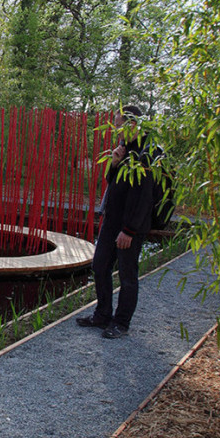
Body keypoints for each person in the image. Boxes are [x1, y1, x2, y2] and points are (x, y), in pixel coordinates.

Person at [77, 105, 154, 339]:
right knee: (100, 266)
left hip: (129, 225)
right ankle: (102, 314)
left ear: (132, 124)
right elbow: (112, 182)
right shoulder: (125, 149)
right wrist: (114, 162)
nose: (115, 129)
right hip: (112, 220)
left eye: (118, 124)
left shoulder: (146, 152)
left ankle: (121, 323)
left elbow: (144, 197)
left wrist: (129, 230)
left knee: (127, 274)